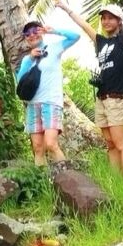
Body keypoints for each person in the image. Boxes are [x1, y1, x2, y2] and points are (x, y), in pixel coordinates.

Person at [58, 1, 123, 178]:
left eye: (111, 18)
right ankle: (115, 182)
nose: (106, 22)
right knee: (110, 143)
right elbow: (84, 25)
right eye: (104, 18)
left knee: (121, 142)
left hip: (118, 97)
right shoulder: (100, 42)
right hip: (102, 97)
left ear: (119, 21)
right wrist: (66, 8)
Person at [16, 18, 82, 166]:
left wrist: (54, 31)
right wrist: (30, 58)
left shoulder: (54, 47)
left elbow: (76, 37)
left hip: (51, 102)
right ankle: (44, 184)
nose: (32, 35)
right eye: (27, 34)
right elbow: (20, 81)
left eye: (35, 31)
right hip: (33, 104)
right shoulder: (28, 59)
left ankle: (69, 180)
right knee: (38, 148)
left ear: (42, 32)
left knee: (51, 144)